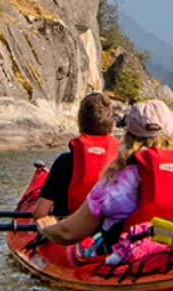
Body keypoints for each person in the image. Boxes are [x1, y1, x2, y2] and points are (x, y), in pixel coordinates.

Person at [40, 99, 173, 252]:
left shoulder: (115, 183)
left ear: (128, 137)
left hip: (130, 263)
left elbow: (67, 233)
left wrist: (45, 228)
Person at [31, 92, 120, 226]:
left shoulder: (64, 162)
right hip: (108, 233)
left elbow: (40, 213)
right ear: (112, 127)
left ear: (80, 126)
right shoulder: (124, 163)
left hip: (69, 233)